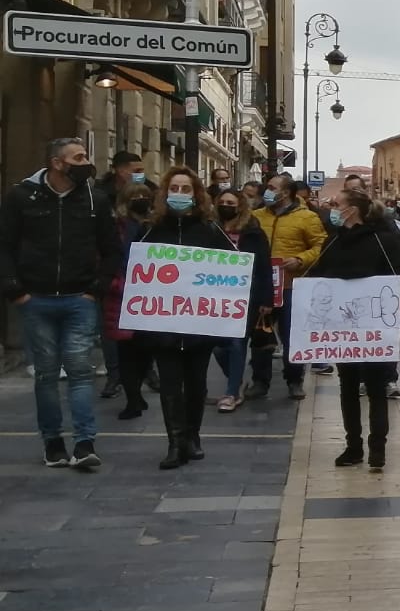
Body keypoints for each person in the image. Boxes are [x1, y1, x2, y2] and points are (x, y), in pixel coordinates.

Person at [1, 137, 121, 469]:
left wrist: (95, 289)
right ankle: (52, 441)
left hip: (79, 299)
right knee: (46, 374)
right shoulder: (21, 197)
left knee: (81, 372)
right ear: (57, 163)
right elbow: (5, 244)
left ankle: (84, 443)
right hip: (36, 299)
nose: (85, 163)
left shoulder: (94, 201)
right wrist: (15, 290)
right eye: (78, 157)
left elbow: (112, 249)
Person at [134, 169, 237, 470]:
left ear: (196, 194)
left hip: (199, 324)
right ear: (165, 192)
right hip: (163, 322)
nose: (179, 193)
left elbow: (230, 270)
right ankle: (174, 442)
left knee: (196, 383)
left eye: (186, 188)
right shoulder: (151, 229)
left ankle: (192, 436)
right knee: (169, 384)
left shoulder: (210, 230)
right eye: (174, 188)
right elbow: (135, 265)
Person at [305, 187, 400, 471]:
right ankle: (353, 446)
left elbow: (398, 278)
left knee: (375, 388)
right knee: (347, 386)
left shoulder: (383, 240)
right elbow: (320, 275)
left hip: (372, 331)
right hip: (343, 331)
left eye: (337, 204)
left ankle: (377, 449)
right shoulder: (333, 240)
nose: (332, 208)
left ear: (353, 210)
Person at [252, 174, 327, 400]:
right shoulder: (255, 217)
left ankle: (294, 380)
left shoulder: (307, 218)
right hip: (262, 285)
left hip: (291, 286)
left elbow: (320, 246)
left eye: (272, 188)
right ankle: (259, 381)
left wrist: (301, 259)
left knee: (292, 336)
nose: (267, 191)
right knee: (260, 335)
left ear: (285, 193)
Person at [211, 188, 273, 413]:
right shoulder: (211, 229)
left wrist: (267, 299)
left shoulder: (253, 232)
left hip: (246, 296)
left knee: (237, 343)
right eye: (223, 201)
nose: (226, 205)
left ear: (240, 206)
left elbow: (265, 267)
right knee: (218, 348)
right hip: (215, 296)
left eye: (231, 202)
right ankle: (235, 382)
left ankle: (231, 393)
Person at [104, 182, 156, 421]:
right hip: (122, 293)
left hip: (150, 294)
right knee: (126, 349)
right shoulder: (117, 227)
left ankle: (138, 389)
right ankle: (133, 399)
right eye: (136, 196)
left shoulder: (154, 225)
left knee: (146, 348)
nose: (142, 199)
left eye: (145, 195)